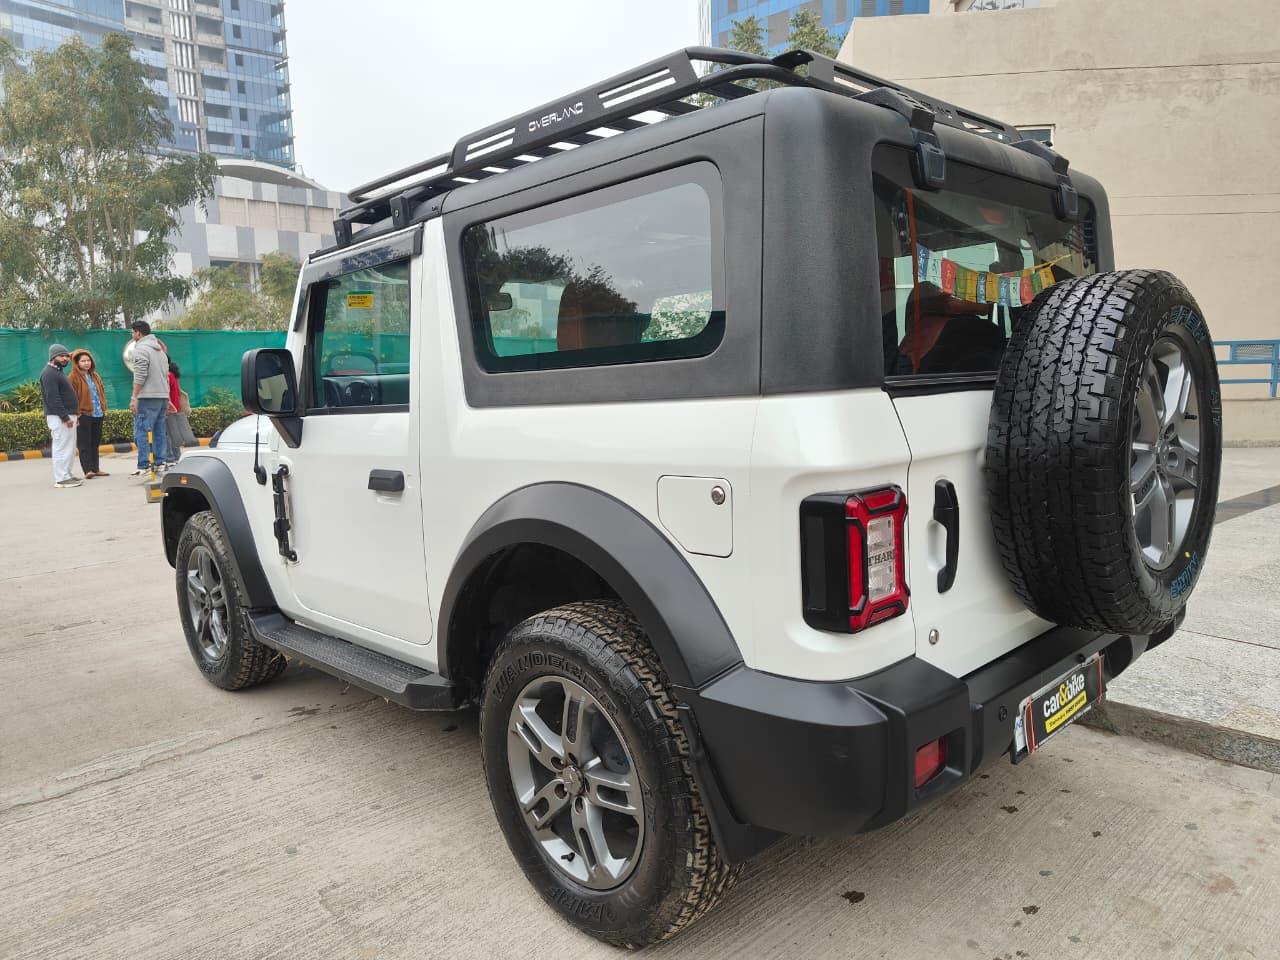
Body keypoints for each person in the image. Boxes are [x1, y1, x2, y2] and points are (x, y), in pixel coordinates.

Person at [127, 319, 170, 479]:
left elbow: (140, 374)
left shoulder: (141, 349)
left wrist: (134, 397)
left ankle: (143, 465)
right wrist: (168, 397)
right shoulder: (160, 350)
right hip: (162, 396)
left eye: (133, 332)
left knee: (141, 430)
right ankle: (160, 463)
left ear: (138, 332)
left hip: (146, 397)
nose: (132, 335)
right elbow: (165, 376)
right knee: (159, 431)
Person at [39, 344, 82, 489]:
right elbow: (53, 398)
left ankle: (67, 475)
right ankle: (61, 479)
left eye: (66, 356)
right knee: (62, 447)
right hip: (59, 417)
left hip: (67, 416)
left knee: (68, 447)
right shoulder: (49, 373)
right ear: (53, 357)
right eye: (61, 356)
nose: (65, 359)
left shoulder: (57, 371)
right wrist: (65, 417)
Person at [68, 348, 111, 479]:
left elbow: (101, 393)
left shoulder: (95, 376)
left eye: (88, 360)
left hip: (98, 413)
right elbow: (72, 397)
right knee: (84, 444)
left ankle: (96, 468)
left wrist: (103, 409)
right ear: (77, 362)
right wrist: (77, 414)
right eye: (83, 361)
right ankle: (87, 470)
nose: (86, 363)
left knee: (95, 443)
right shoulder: (73, 377)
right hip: (84, 414)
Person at [165, 361, 196, 464]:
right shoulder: (174, 375)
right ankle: (176, 456)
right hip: (176, 408)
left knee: (168, 434)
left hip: (170, 409)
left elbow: (167, 392)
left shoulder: (167, 376)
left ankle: (170, 458)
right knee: (174, 434)